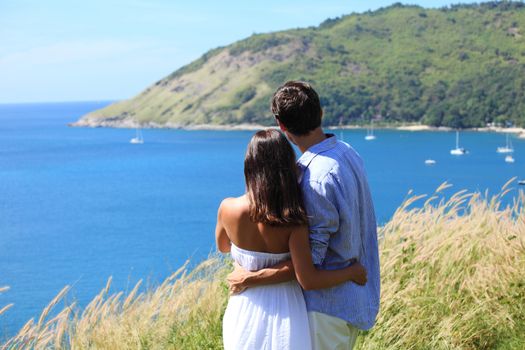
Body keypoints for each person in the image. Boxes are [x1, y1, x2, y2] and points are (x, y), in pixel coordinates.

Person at [226, 81, 380, 349]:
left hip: (324, 309)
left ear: (282, 127)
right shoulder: (347, 152)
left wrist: (251, 276)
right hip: (352, 301)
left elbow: (308, 268)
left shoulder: (311, 180)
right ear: (319, 112)